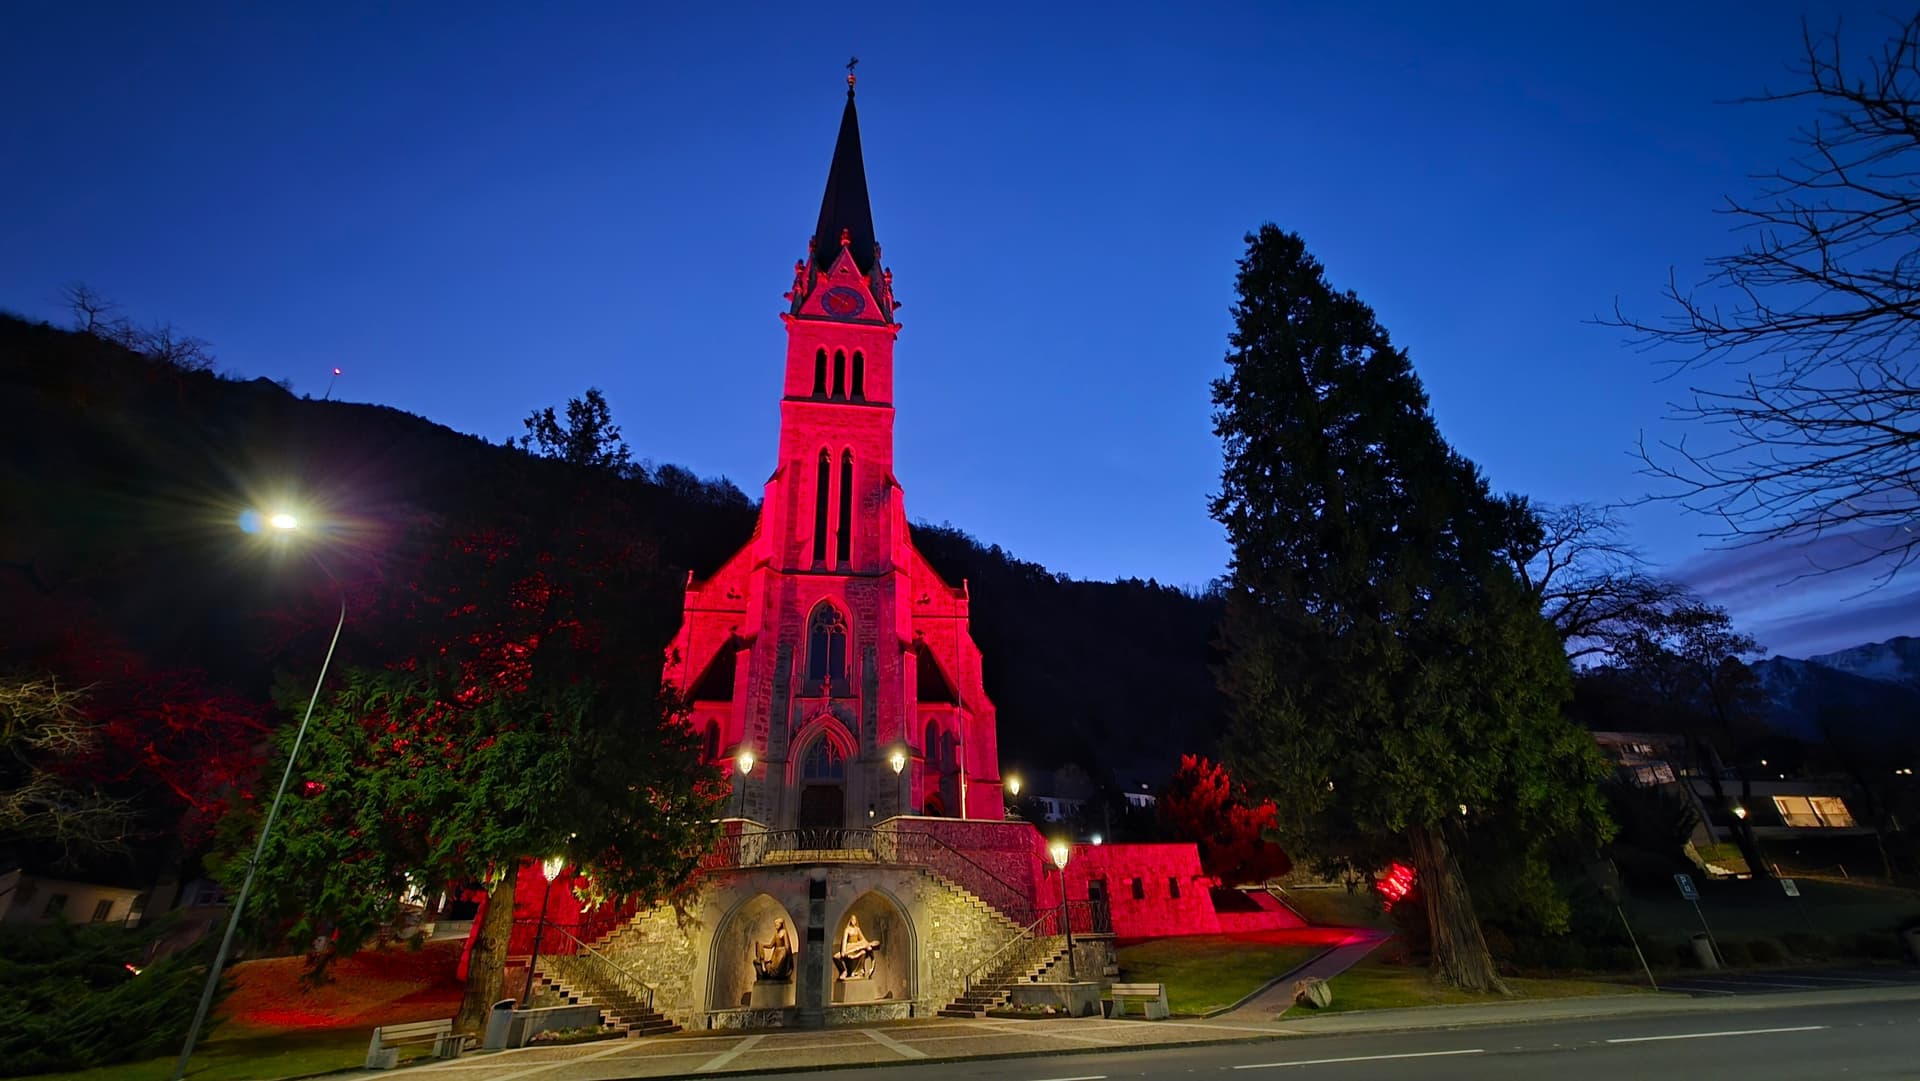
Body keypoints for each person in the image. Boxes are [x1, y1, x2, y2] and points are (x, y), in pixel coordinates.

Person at [833, 914, 878, 978]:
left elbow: (863, 940)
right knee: (836, 957)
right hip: (848, 948)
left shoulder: (857, 929)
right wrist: (843, 951)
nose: (853, 921)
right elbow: (844, 941)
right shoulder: (847, 930)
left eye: (855, 920)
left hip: (856, 948)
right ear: (850, 920)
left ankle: (859, 972)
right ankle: (843, 971)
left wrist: (867, 945)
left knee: (863, 952)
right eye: (852, 919)